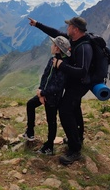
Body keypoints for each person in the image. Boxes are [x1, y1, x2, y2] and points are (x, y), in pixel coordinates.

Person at [28, 16, 93, 165]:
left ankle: (75, 150)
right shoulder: (72, 39)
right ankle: (77, 138)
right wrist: (37, 24)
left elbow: (83, 71)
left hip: (80, 84)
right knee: (75, 108)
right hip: (73, 81)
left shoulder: (85, 47)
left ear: (75, 29)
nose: (67, 28)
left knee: (65, 111)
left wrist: (60, 65)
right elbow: (54, 32)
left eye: (69, 26)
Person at [23, 36, 71, 155]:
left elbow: (58, 86)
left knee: (51, 120)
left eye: (53, 44)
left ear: (57, 48)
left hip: (53, 98)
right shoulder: (52, 60)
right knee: (30, 104)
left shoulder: (63, 65)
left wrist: (43, 93)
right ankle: (30, 132)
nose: (51, 46)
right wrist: (40, 91)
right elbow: (45, 76)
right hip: (44, 94)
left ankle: (49, 146)